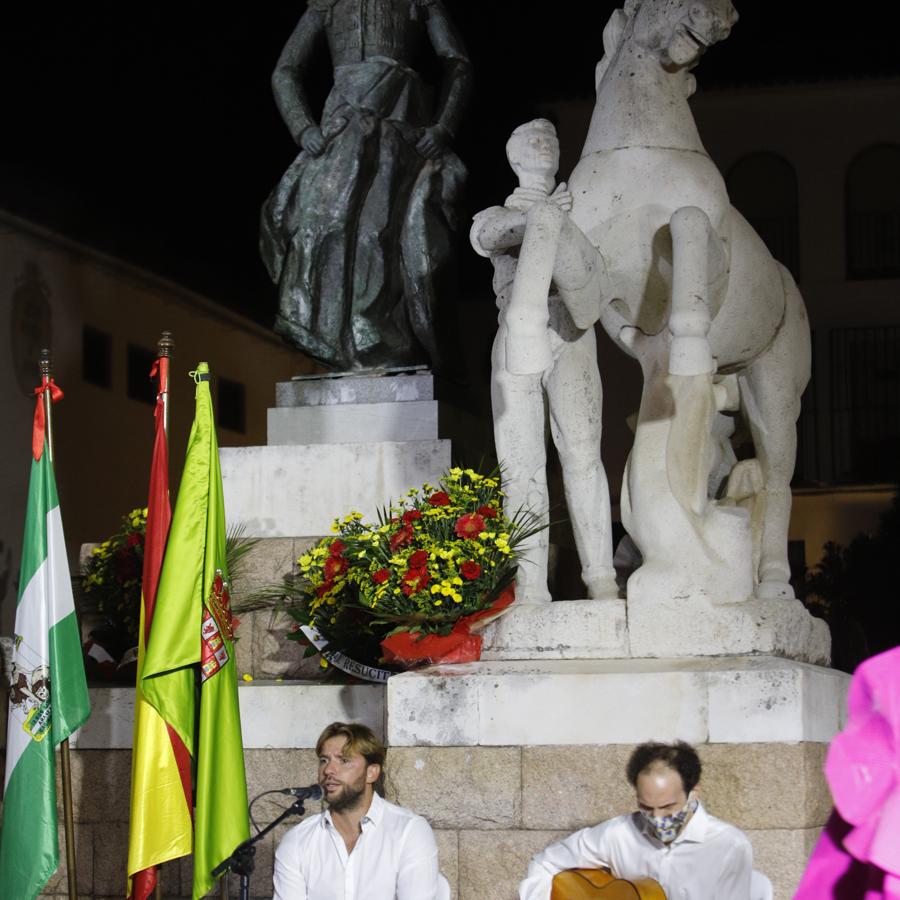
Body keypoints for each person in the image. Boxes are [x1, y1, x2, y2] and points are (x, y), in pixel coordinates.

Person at [260, 0, 472, 372]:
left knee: (379, 231)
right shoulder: (326, 5)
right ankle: (324, 333)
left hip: (399, 128)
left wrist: (443, 129)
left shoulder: (420, 2)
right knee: (315, 222)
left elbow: (459, 65)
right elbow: (285, 70)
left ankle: (379, 338)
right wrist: (303, 128)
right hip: (341, 129)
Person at [470, 119, 617, 604]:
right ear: (513, 156)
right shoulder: (498, 214)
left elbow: (598, 278)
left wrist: (563, 223)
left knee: (584, 455)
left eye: (551, 142)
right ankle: (530, 583)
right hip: (516, 332)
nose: (544, 146)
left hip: (571, 333)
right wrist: (544, 215)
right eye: (533, 141)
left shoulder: (579, 215)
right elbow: (489, 235)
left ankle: (601, 578)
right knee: (521, 462)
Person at [518, 741, 753, 900]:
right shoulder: (617, 834)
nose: (657, 817)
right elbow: (544, 864)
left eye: (668, 807)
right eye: (646, 807)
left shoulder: (729, 846)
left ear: (693, 793)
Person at [273, 721, 443, 899]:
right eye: (324, 760)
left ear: (372, 773)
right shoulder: (297, 841)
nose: (329, 770)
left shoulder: (408, 831)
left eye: (344, 760)